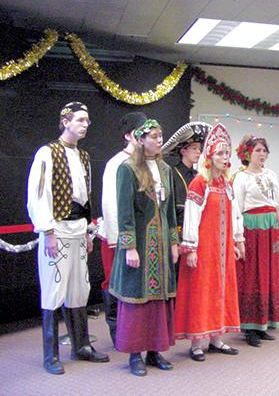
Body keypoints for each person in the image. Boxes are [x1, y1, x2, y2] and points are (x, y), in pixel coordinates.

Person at [27, 102, 109, 375]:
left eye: (87, 120)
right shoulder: (47, 153)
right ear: (65, 121)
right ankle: (50, 354)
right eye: (80, 120)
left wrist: (87, 230)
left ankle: (81, 345)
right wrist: (47, 231)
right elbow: (37, 195)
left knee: (79, 288)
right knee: (54, 289)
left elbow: (84, 198)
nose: (85, 124)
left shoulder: (84, 156)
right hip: (57, 228)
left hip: (77, 228)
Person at [109, 119, 179, 376]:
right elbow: (124, 209)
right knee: (137, 298)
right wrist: (129, 246)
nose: (159, 140)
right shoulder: (127, 169)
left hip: (160, 243)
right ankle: (135, 354)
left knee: (159, 297)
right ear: (140, 140)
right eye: (153, 136)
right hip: (139, 241)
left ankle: (154, 350)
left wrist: (173, 241)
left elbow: (169, 210)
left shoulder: (165, 169)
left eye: (161, 136)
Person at [175, 123, 245, 362]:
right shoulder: (199, 183)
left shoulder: (227, 184)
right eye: (220, 153)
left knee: (221, 289)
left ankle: (217, 339)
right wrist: (191, 248)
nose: (224, 158)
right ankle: (196, 342)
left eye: (227, 153)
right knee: (201, 291)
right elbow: (191, 217)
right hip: (205, 248)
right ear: (209, 156)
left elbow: (235, 213)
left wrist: (237, 241)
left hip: (223, 249)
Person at [98, 111, 147, 346]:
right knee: (115, 282)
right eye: (139, 131)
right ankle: (116, 331)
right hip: (117, 237)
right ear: (128, 135)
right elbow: (110, 202)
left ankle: (137, 332)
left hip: (142, 236)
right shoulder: (117, 163)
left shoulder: (150, 163)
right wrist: (119, 239)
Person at [232, 135, 279, 347]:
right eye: (258, 151)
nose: (262, 154)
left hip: (271, 228)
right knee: (252, 275)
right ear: (247, 154)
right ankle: (250, 327)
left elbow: (277, 204)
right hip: (252, 229)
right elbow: (237, 208)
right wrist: (239, 238)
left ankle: (264, 323)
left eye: (264, 150)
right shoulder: (241, 178)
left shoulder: (271, 175)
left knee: (269, 274)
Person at [161, 122, 210, 233]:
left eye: (199, 149)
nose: (198, 152)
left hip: (197, 226)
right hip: (178, 227)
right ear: (183, 151)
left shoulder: (199, 175)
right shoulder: (172, 173)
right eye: (194, 148)